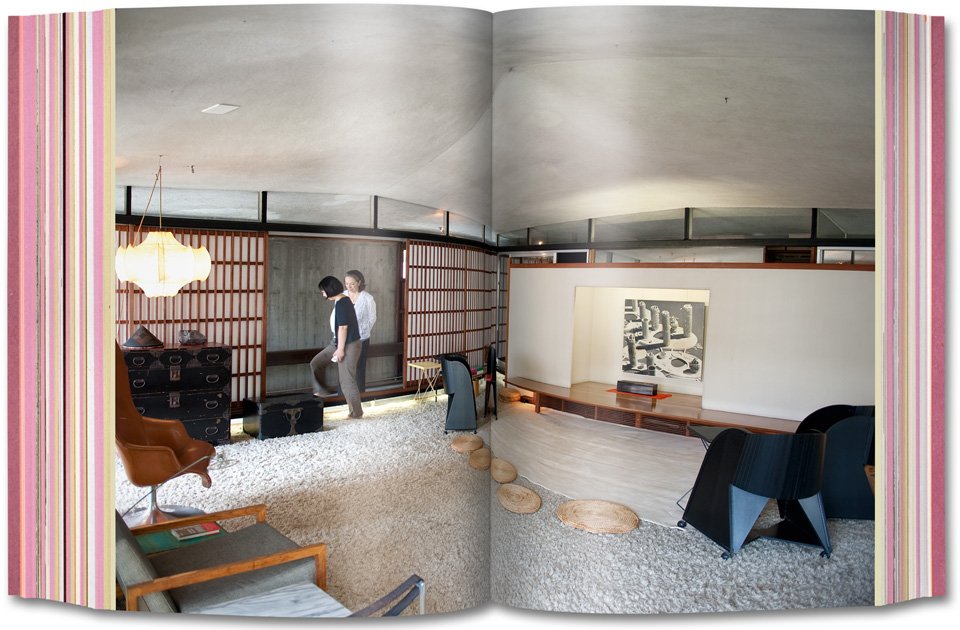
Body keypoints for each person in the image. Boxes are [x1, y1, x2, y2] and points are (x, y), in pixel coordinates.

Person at [309, 276, 363, 418]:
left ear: (329, 289)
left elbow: (343, 328)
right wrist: (337, 346)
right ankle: (321, 390)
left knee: (347, 381)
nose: (322, 293)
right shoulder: (340, 301)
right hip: (336, 342)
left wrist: (340, 349)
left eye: (323, 291)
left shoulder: (342, 303)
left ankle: (356, 413)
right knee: (316, 363)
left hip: (349, 344)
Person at [343, 269, 377, 392]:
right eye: (347, 283)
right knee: (344, 368)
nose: (349, 286)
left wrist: (363, 331)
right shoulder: (343, 295)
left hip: (361, 338)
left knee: (359, 368)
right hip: (344, 338)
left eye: (352, 283)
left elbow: (372, 318)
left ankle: (360, 395)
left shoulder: (368, 298)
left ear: (359, 282)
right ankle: (342, 396)